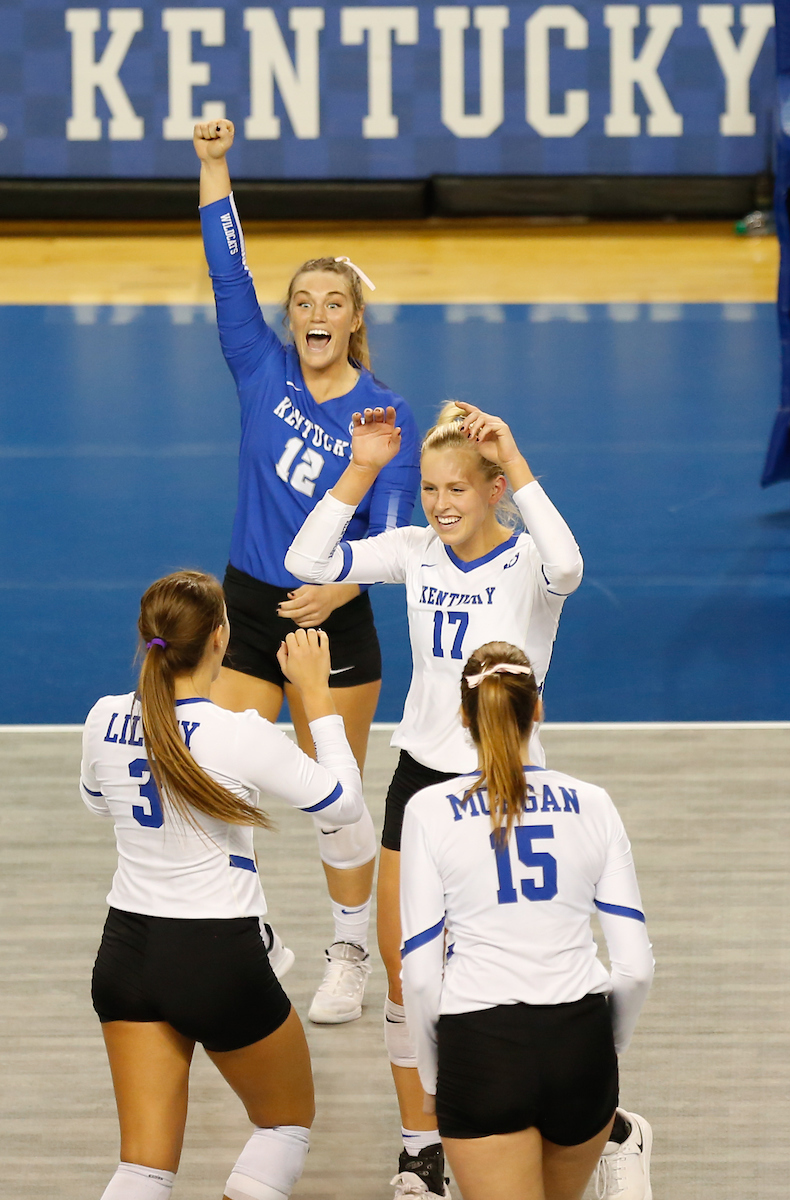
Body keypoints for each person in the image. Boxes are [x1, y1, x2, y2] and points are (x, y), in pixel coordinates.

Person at [285, 400, 593, 1197]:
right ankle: (420, 1149)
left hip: (504, 786)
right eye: (428, 488)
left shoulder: (529, 564)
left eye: (458, 488)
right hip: (420, 783)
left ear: (493, 491)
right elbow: (308, 558)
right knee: (404, 972)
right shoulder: (415, 552)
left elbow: (569, 566)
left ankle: (580, 1124)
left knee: (507, 972)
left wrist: (513, 456)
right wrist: (363, 468)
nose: (441, 504)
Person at [193, 118, 421, 1024]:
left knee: (338, 801)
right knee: (225, 781)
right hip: (248, 608)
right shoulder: (260, 368)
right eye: (302, 302)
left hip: (334, 619)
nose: (315, 314)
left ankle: (349, 951)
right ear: (289, 317)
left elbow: (396, 537)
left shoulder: (385, 416)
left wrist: (342, 588)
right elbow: (227, 271)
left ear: (355, 319)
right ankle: (247, 930)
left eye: (332, 302)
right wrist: (215, 166)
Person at [81, 569, 365, 1200]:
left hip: (125, 954)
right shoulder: (240, 734)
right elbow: (343, 805)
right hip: (216, 958)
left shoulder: (103, 717)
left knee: (142, 1169)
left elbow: (99, 801)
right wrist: (316, 698)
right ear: (220, 637)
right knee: (283, 1126)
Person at [399, 641, 655, 1200]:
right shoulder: (594, 803)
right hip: (580, 1042)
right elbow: (635, 968)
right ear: (536, 708)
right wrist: (603, 1049)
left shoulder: (428, 812)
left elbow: (419, 977)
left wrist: (432, 1078)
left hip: (480, 1049)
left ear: (464, 716)